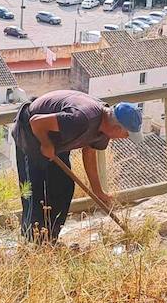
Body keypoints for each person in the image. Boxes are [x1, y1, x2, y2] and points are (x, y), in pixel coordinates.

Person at [12, 91, 143, 242]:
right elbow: (36, 122)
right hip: (31, 134)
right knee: (34, 193)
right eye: (127, 134)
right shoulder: (82, 119)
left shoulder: (104, 127)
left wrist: (97, 191)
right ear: (117, 128)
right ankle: (32, 244)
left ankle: (50, 239)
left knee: (64, 188)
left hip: (57, 141)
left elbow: (89, 153)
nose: (125, 138)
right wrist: (46, 144)